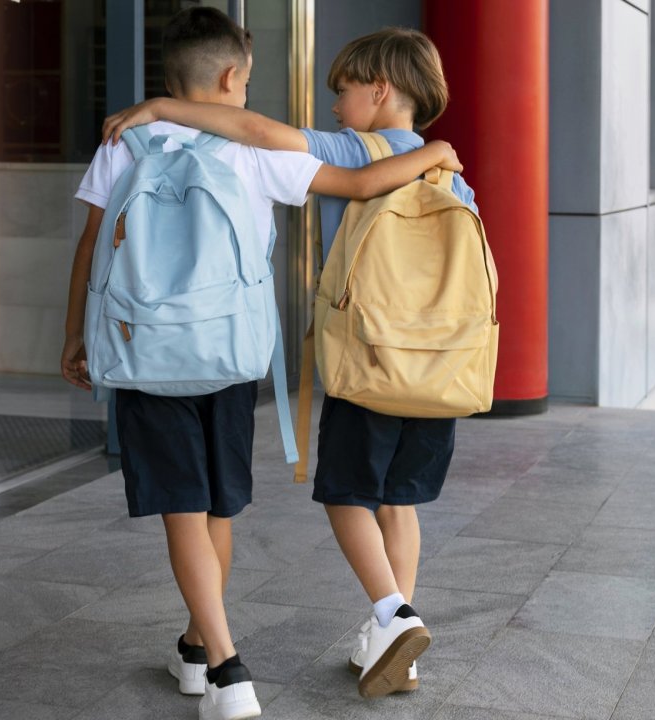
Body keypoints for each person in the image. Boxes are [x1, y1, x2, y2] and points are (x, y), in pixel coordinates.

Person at [61, 10, 463, 719]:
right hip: (232, 352)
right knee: (218, 506)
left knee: (182, 506)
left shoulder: (125, 141)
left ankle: (215, 660)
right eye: (246, 81)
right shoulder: (255, 154)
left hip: (144, 348)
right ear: (231, 77)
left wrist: (76, 336)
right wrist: (436, 151)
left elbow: (91, 244)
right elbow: (360, 184)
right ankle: (213, 657)